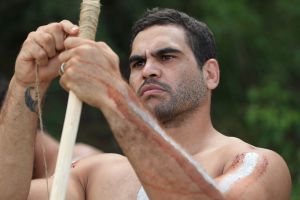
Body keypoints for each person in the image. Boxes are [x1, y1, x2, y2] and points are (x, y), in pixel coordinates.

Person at [0, 7, 291, 200]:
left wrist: (114, 96)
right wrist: (24, 82)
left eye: (167, 57)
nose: (147, 70)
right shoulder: (96, 175)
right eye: (137, 63)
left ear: (210, 73)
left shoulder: (252, 163)